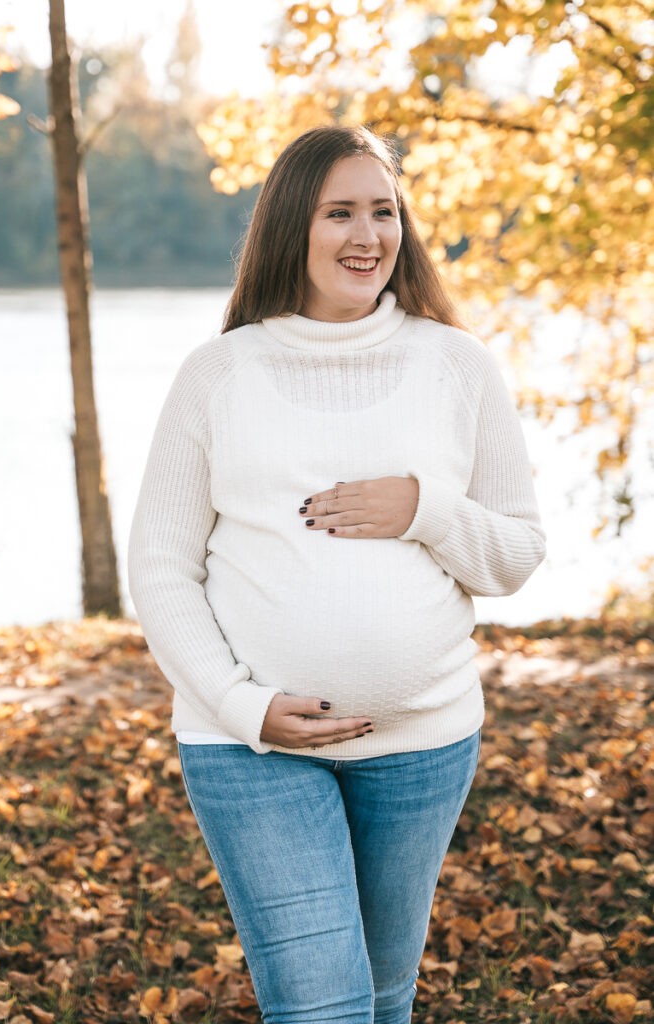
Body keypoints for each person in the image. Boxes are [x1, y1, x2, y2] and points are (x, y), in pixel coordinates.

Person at [127, 124, 546, 1024]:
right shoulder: (218, 373)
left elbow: (515, 555)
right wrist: (240, 704)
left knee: (384, 996)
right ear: (292, 225)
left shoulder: (456, 364)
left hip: (423, 742)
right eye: (339, 213)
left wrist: (425, 509)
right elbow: (161, 568)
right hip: (250, 747)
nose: (367, 236)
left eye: (383, 212)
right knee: (323, 1008)